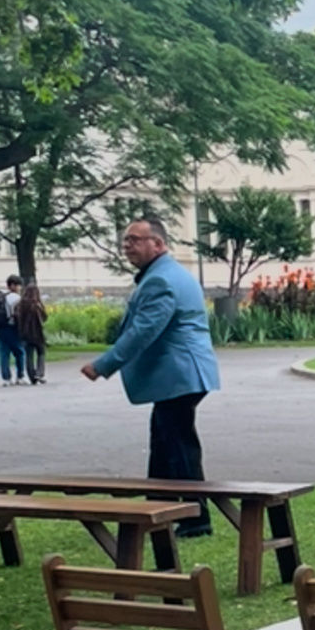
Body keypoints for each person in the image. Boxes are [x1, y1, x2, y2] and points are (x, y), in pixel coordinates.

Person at [79, 216, 219, 534]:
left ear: (158, 243)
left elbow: (144, 331)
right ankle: (156, 509)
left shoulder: (161, 280)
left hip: (180, 374)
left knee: (178, 443)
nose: (127, 245)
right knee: (165, 441)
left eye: (135, 239)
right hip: (183, 374)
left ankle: (196, 519)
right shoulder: (163, 274)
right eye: (125, 240)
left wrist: (103, 365)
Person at [0, 275, 27, 385]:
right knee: (19, 352)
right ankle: (20, 376)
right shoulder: (15, 298)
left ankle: (6, 378)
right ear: (13, 285)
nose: (19, 288)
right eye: (18, 286)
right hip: (12, 327)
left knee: (4, 353)